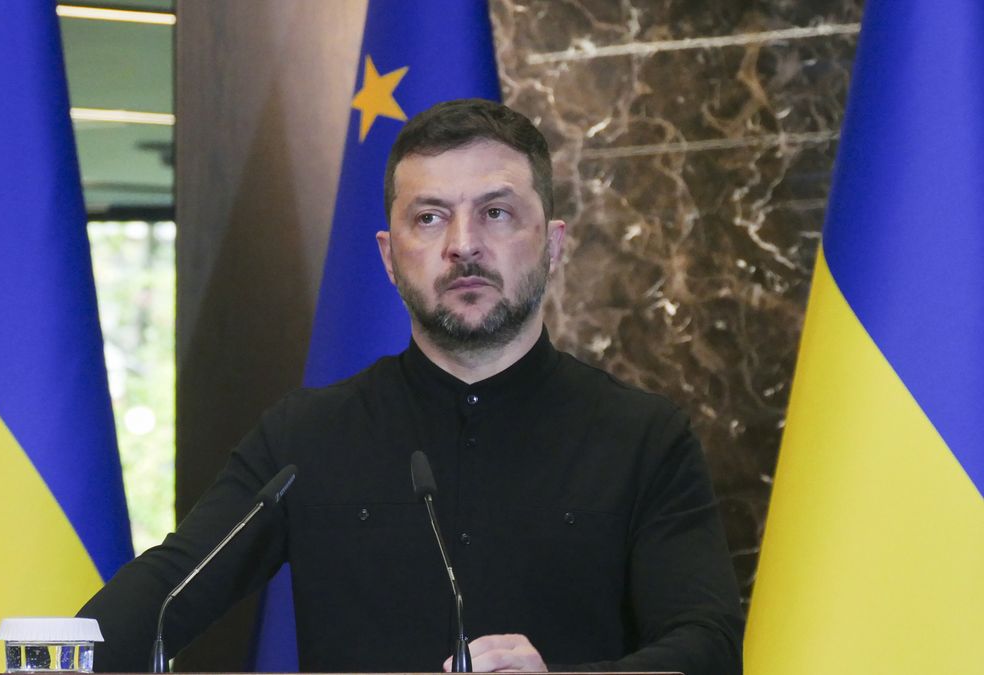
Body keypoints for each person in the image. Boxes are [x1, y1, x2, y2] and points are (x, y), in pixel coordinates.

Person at [79, 99, 743, 674]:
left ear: (554, 245)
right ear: (388, 256)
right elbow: (168, 591)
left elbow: (707, 645)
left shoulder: (645, 437)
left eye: (497, 213)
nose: (463, 244)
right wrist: (58, 653)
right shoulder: (305, 437)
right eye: (429, 217)